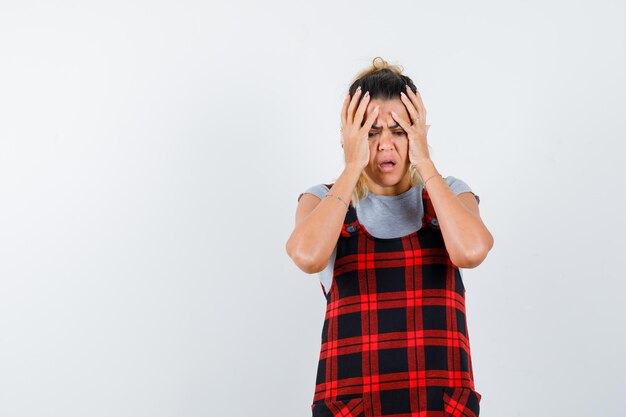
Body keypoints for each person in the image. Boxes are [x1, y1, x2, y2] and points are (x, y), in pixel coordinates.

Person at [285, 57, 494, 417]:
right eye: (370, 132)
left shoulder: (449, 194)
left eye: (399, 131)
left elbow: (471, 251)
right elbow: (306, 257)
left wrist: (424, 161)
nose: (385, 145)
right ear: (348, 137)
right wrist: (352, 167)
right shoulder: (323, 200)